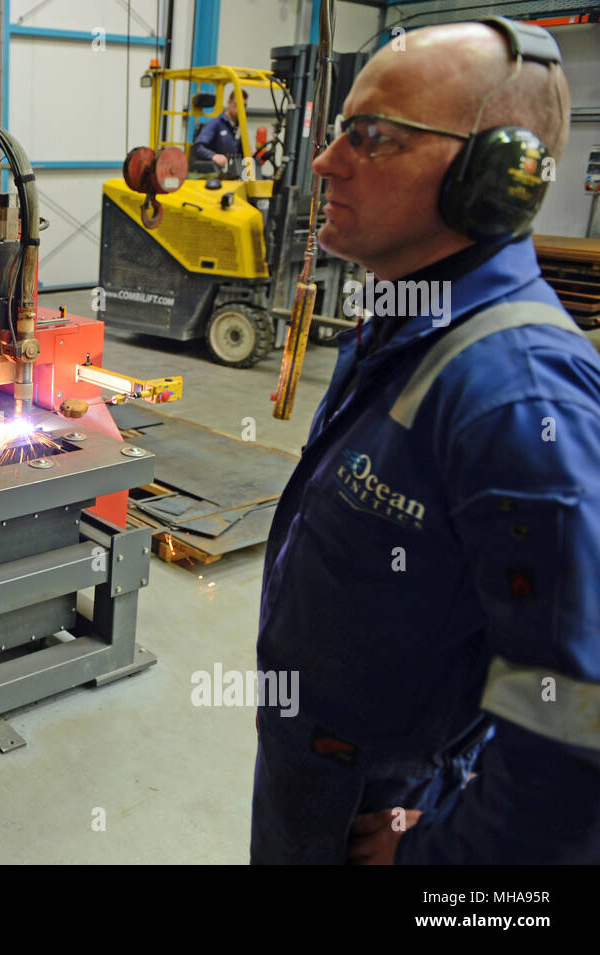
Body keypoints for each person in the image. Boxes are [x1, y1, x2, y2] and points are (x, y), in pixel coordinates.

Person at [251, 17, 600, 864]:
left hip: (388, 812)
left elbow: (577, 711)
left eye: (371, 138)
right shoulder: (403, 320)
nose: (329, 162)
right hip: (314, 780)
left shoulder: (516, 394)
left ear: (494, 180)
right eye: (339, 130)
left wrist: (443, 849)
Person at [192, 89, 247, 172]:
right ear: (229, 102)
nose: (240, 109)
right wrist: (214, 156)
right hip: (216, 174)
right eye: (237, 104)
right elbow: (198, 147)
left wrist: (250, 152)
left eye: (244, 106)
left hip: (235, 172)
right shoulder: (216, 124)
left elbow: (241, 153)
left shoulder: (240, 126)